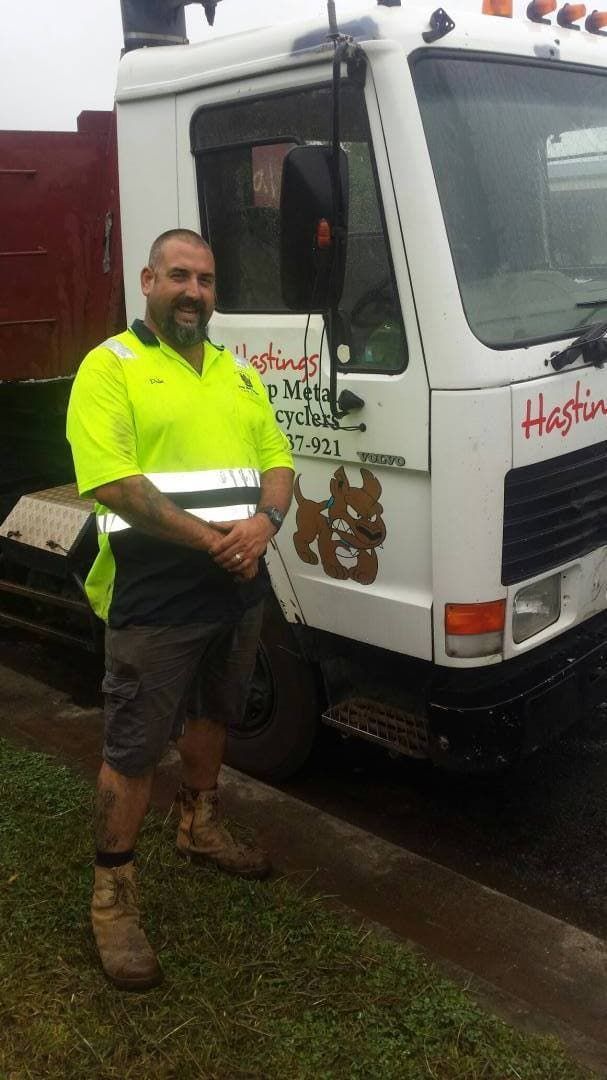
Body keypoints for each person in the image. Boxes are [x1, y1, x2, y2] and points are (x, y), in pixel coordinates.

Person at [66, 228, 294, 991]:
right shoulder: (111, 367)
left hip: (236, 585)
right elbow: (113, 483)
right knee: (133, 745)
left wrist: (265, 524)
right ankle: (112, 892)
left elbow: (278, 459)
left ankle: (197, 824)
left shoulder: (236, 371)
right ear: (147, 280)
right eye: (178, 276)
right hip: (155, 593)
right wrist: (214, 540)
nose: (193, 291)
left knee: (213, 713)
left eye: (204, 279)